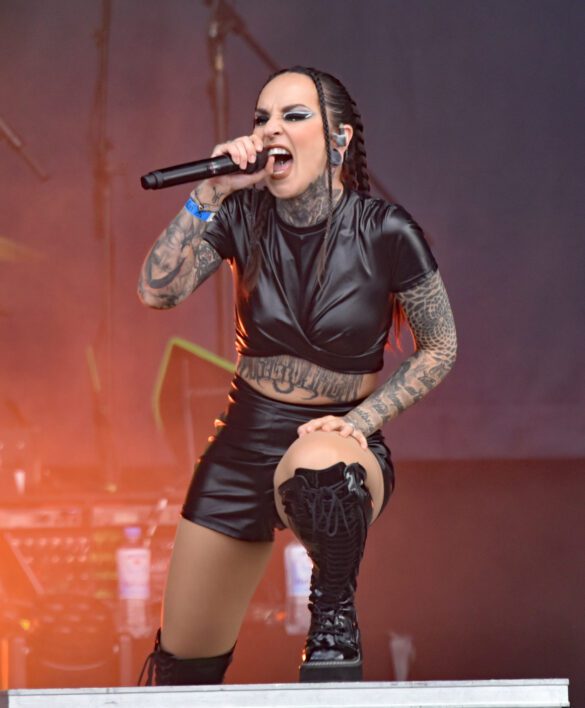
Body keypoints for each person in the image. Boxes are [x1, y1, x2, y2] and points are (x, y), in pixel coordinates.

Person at [137, 66, 457, 686]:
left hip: (336, 437)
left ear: (338, 140)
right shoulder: (242, 213)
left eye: (294, 115)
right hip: (245, 435)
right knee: (183, 661)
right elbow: (158, 292)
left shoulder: (386, 230)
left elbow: (440, 346)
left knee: (321, 468)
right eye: (262, 118)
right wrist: (211, 191)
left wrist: (362, 421)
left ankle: (333, 617)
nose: (271, 130)